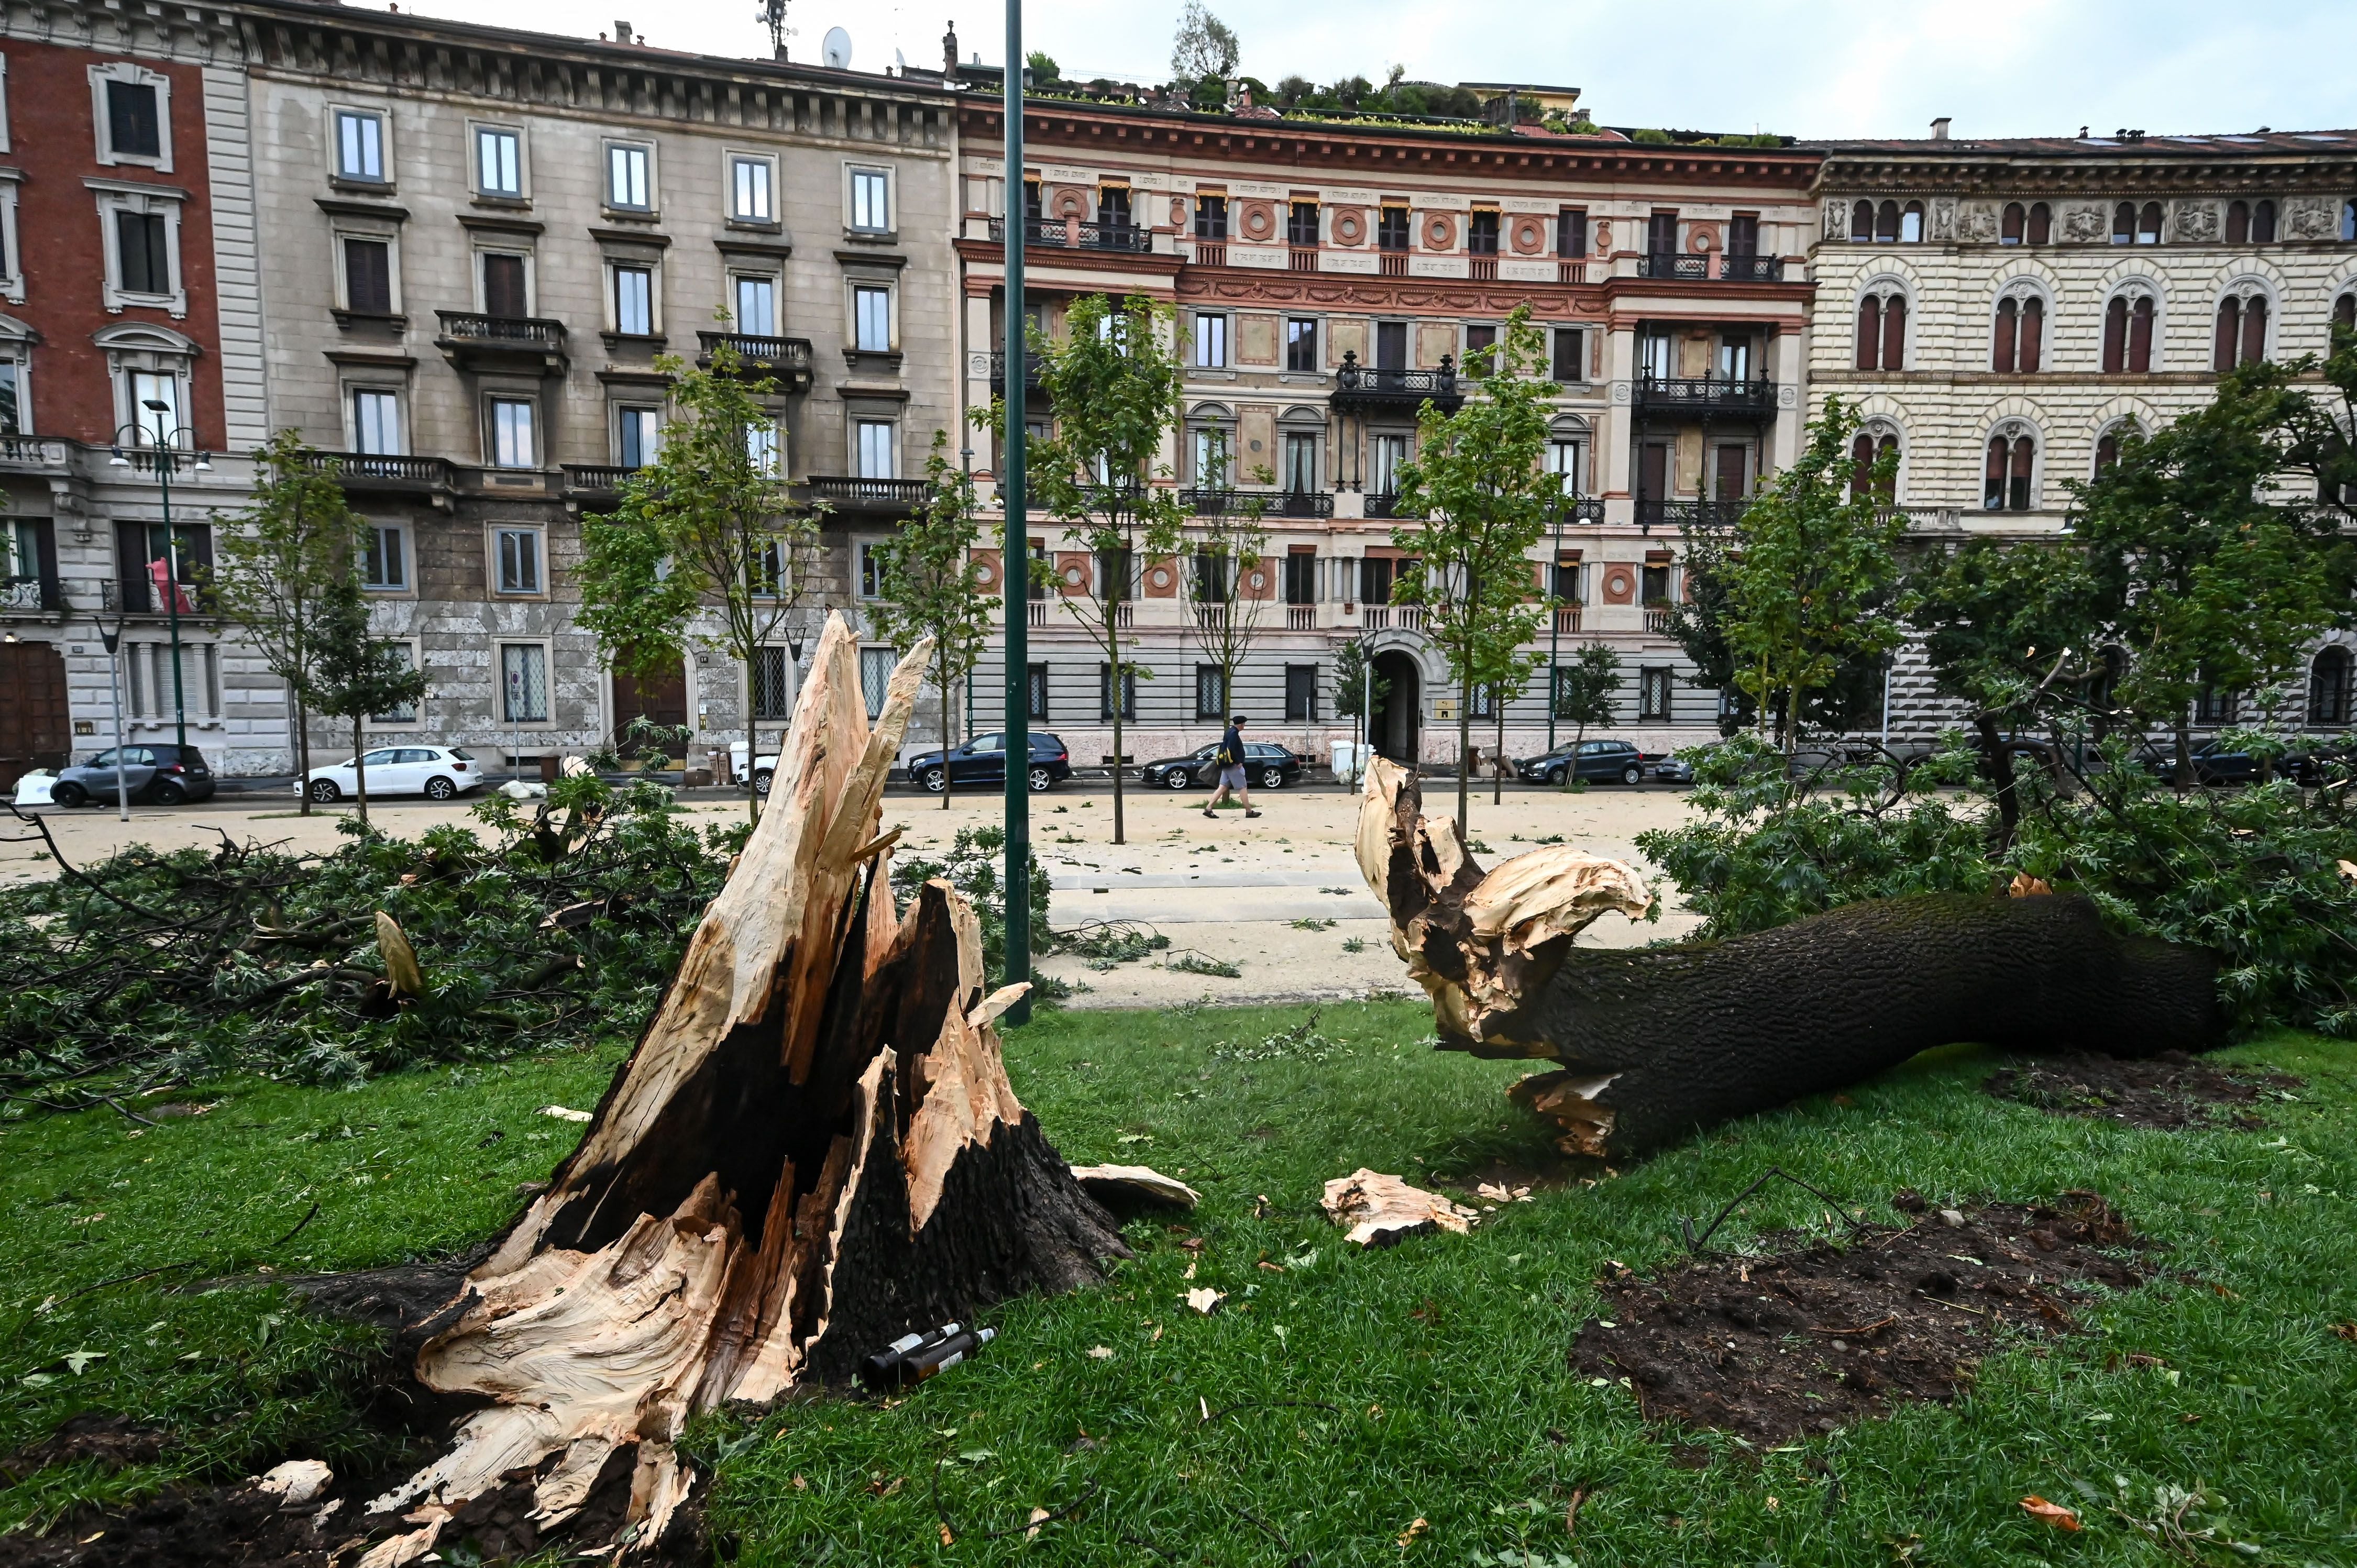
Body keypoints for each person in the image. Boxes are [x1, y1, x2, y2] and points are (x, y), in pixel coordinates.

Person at [1203, 713, 1259, 819]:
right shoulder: (1234, 734)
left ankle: (1209, 809)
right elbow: (1232, 749)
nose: (1244, 726)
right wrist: (1238, 762)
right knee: (1243, 787)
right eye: (1244, 724)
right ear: (1241, 724)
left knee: (1222, 787)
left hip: (1227, 764)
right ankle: (1249, 811)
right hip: (1233, 765)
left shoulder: (1229, 732)